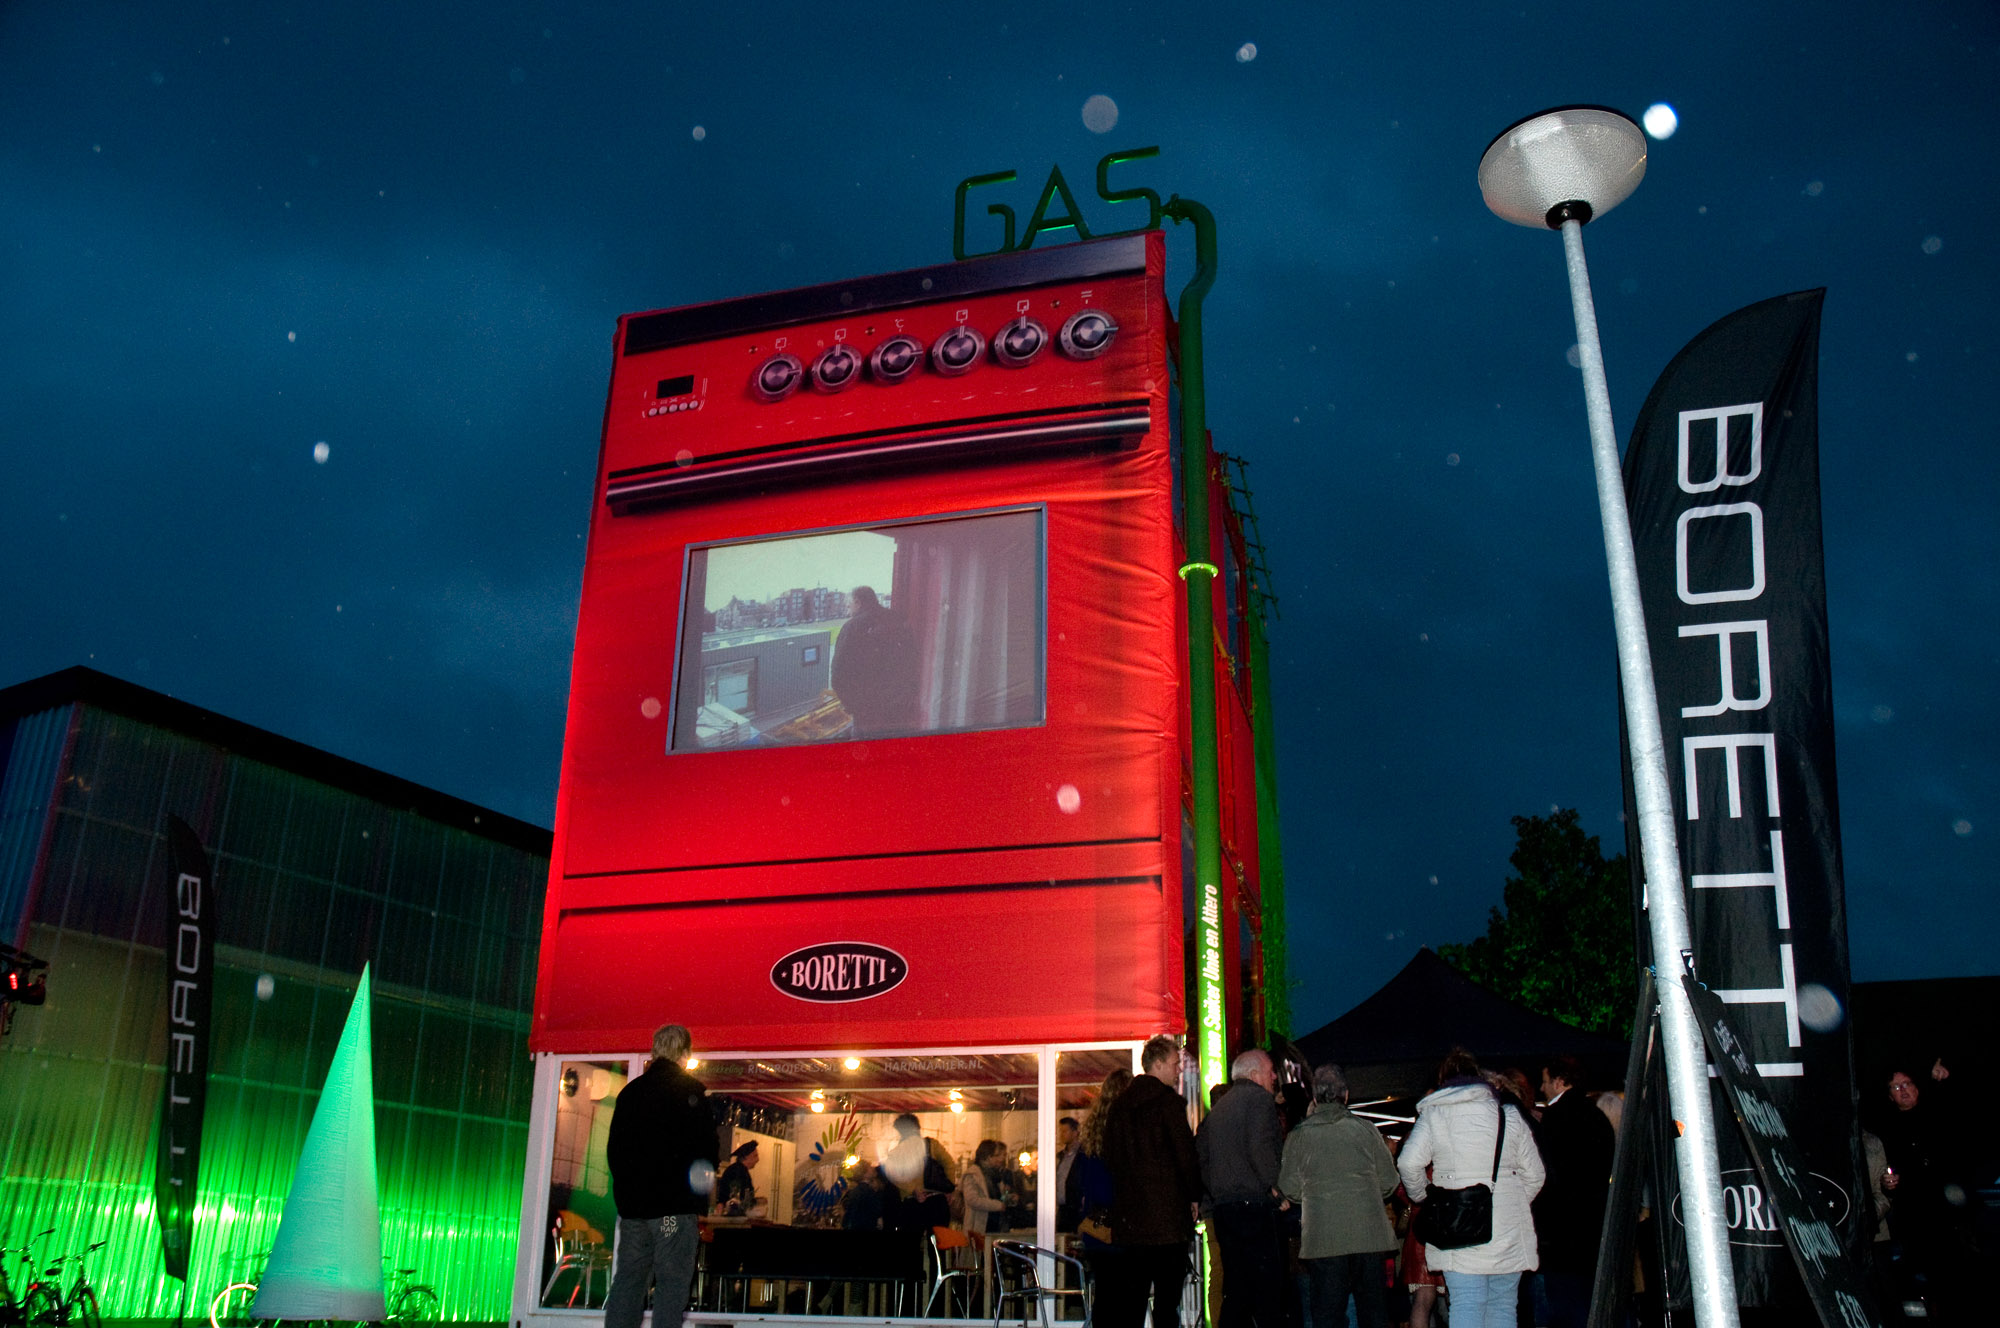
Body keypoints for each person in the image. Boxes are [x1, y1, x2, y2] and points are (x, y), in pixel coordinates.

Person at [1395, 1048, 1544, 1328]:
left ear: (1442, 1081)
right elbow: (1536, 1174)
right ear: (1479, 1078)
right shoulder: (1508, 1115)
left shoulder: (1435, 1115)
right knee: (1502, 1307)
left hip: (1457, 1226)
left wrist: (1422, 1197)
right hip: (1508, 1231)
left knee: (1466, 1303)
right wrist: (1510, 1202)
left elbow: (1407, 1163)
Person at [603, 1023, 718, 1328]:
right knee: (671, 1286)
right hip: (672, 1214)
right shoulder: (691, 1093)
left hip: (634, 1212)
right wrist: (700, 1200)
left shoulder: (630, 1094)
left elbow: (615, 1151)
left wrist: (627, 1196)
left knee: (628, 1282)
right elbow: (705, 1155)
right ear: (685, 1053)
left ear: (654, 1051)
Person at [1277, 1064, 1400, 1328]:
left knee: (1328, 1316)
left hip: (1324, 1239)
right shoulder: (1367, 1130)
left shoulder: (1299, 1136)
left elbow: (1289, 1188)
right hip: (1370, 1237)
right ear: (1346, 1095)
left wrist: (1316, 1194)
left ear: (1314, 1097)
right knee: (1374, 1316)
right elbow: (1390, 1182)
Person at [1104, 1035, 1202, 1328]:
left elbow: (1110, 1157)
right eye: (1174, 1064)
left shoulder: (1118, 1107)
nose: (1178, 1071)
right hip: (1168, 1221)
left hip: (1131, 1221)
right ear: (1157, 1065)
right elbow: (1185, 1155)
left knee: (1132, 1301)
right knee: (1166, 1304)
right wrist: (1193, 1196)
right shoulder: (1168, 1103)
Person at [1876, 1059, 1976, 1320]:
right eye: (1896, 1088)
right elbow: (1887, 1176)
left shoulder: (1939, 1112)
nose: (1903, 1090)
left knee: (1961, 1279)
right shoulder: (1887, 1131)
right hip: (1917, 1220)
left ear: (1917, 1087)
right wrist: (1889, 1183)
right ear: (1890, 1097)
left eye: (1907, 1083)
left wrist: (1943, 1081)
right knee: (1927, 1283)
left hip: (1953, 1214)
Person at [1198, 1048, 1287, 1328]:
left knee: (1236, 1288)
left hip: (1224, 1210)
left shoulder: (1218, 1109)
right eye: (1271, 1070)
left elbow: (1203, 1158)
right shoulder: (1259, 1100)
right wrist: (1275, 1189)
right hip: (1253, 1207)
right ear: (1254, 1074)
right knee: (1268, 1290)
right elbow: (1261, 1148)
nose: (1274, 1076)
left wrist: (1220, 1192)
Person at [1529, 1056, 1614, 1328]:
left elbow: (1548, 1176)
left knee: (1566, 1306)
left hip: (1561, 1232)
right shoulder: (1596, 1116)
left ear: (1559, 1081)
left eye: (1544, 1081)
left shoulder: (1555, 1121)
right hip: (1593, 1224)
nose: (1542, 1089)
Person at [1070, 1069, 1134, 1304]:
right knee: (1126, 1297)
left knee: (1105, 1296)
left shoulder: (1093, 1133)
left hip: (1096, 1225)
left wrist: (1081, 1214)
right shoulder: (1128, 1131)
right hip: (1123, 1225)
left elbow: (1078, 1183)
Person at [831, 585, 918, 737]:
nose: (848, 609)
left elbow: (838, 673)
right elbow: (912, 659)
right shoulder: (899, 619)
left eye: (849, 605)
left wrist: (853, 706)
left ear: (858, 602)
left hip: (867, 710)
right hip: (899, 706)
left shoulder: (852, 627)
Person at [885, 1112, 953, 1231]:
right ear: (917, 1127)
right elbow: (950, 1164)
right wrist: (948, 1188)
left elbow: (892, 1174)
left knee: (912, 1244)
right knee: (937, 1243)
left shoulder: (897, 1151)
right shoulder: (932, 1144)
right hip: (937, 1199)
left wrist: (912, 1189)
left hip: (912, 1202)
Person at [960, 1139, 1013, 1236]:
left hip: (996, 1225)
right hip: (979, 1226)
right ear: (987, 1157)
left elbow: (998, 1197)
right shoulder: (973, 1174)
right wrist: (997, 1205)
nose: (1000, 1159)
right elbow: (972, 1200)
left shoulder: (995, 1175)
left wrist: (1008, 1197)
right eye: (996, 1155)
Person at [716, 1140, 759, 1216]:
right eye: (755, 1156)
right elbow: (738, 1197)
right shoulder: (739, 1172)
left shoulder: (735, 1169)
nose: (757, 1159)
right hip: (734, 1218)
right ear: (746, 1157)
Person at [1055, 1116, 1083, 1232]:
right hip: (1063, 1208)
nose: (1061, 1134)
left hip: (1077, 1208)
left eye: (1065, 1131)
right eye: (1060, 1131)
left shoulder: (1083, 1155)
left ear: (1075, 1132)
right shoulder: (1060, 1156)